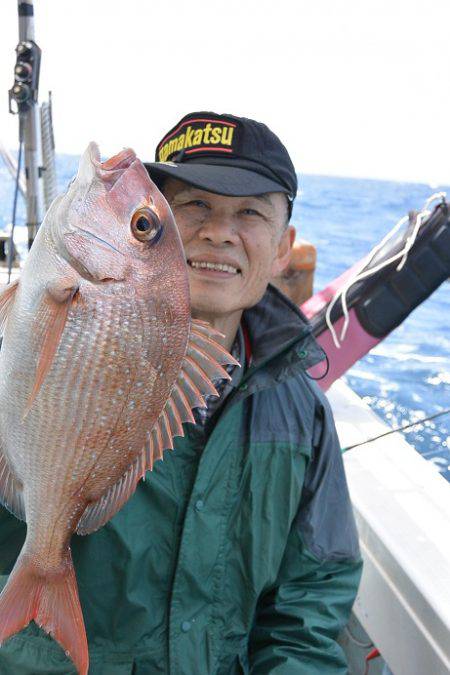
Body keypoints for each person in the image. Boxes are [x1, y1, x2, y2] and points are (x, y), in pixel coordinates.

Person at [0, 111, 362, 674]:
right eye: (192, 206)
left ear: (284, 248)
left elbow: (308, 609)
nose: (219, 231)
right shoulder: (46, 323)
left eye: (249, 212)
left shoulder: (303, 414)